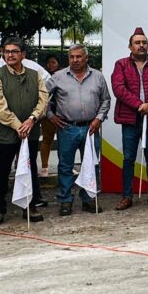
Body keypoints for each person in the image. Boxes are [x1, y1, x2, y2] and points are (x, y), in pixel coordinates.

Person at [0, 38, 49, 227]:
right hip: (5, 134)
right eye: (6, 51)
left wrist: (32, 120)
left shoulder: (35, 75)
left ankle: (30, 205)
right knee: (0, 171)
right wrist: (17, 125)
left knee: (29, 169)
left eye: (14, 51)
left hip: (31, 131)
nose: (9, 55)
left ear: (23, 55)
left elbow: (43, 101)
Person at [46, 45, 111, 216]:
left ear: (86, 58)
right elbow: (41, 97)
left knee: (91, 165)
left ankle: (88, 199)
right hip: (67, 128)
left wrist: (99, 118)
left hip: (91, 127)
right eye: (71, 57)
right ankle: (65, 201)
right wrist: (50, 115)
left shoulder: (97, 76)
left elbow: (106, 100)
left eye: (79, 57)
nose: (75, 60)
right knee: (65, 166)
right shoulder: (58, 77)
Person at [111, 32, 148, 210]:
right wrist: (139, 105)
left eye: (144, 42)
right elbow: (118, 88)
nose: (141, 45)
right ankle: (127, 196)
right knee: (128, 158)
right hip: (130, 118)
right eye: (137, 43)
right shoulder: (121, 64)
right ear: (130, 47)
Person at [39, 54, 63, 177]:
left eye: (53, 62)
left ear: (59, 63)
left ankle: (63, 166)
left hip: (64, 114)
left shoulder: (65, 76)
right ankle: (44, 167)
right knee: (47, 139)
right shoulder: (43, 77)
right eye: (48, 63)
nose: (50, 65)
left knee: (63, 142)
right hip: (48, 113)